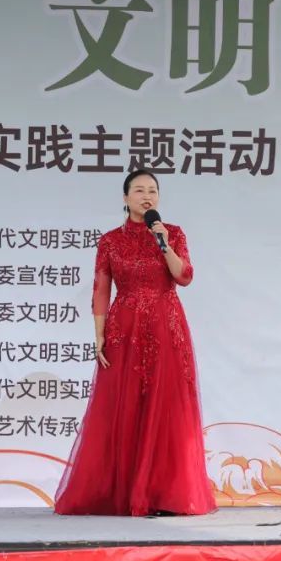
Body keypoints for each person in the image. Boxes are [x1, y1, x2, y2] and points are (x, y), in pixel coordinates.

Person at [54, 169, 216, 516]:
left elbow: (184, 276)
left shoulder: (172, 233)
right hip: (124, 328)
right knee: (124, 407)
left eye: (153, 190)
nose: (147, 196)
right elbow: (101, 289)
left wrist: (164, 244)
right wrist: (99, 334)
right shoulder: (110, 241)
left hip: (166, 325)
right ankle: (124, 493)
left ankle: (165, 494)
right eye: (139, 190)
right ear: (125, 198)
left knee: (166, 408)